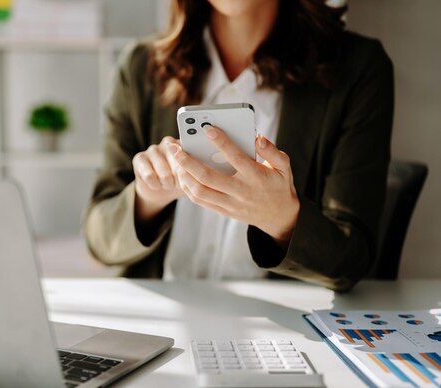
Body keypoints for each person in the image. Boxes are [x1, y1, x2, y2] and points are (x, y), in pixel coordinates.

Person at [83, 0, 393, 292]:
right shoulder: (141, 67)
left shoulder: (358, 68)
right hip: (163, 322)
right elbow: (99, 239)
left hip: (283, 330)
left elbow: (351, 262)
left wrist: (283, 220)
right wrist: (146, 198)